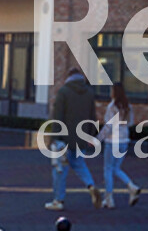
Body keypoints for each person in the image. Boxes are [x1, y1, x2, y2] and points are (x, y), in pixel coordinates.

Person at [45, 67, 101, 212]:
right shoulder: (89, 93)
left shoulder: (63, 92)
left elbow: (58, 117)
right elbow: (92, 117)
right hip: (81, 138)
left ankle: (58, 200)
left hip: (64, 139)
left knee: (60, 171)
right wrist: (91, 136)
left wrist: (55, 138)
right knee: (79, 164)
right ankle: (91, 185)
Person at [100, 84, 142, 207]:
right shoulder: (128, 107)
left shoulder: (111, 107)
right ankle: (131, 186)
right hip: (124, 140)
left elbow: (108, 126)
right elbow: (130, 123)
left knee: (108, 169)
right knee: (116, 168)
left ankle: (109, 198)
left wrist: (98, 139)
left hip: (112, 141)